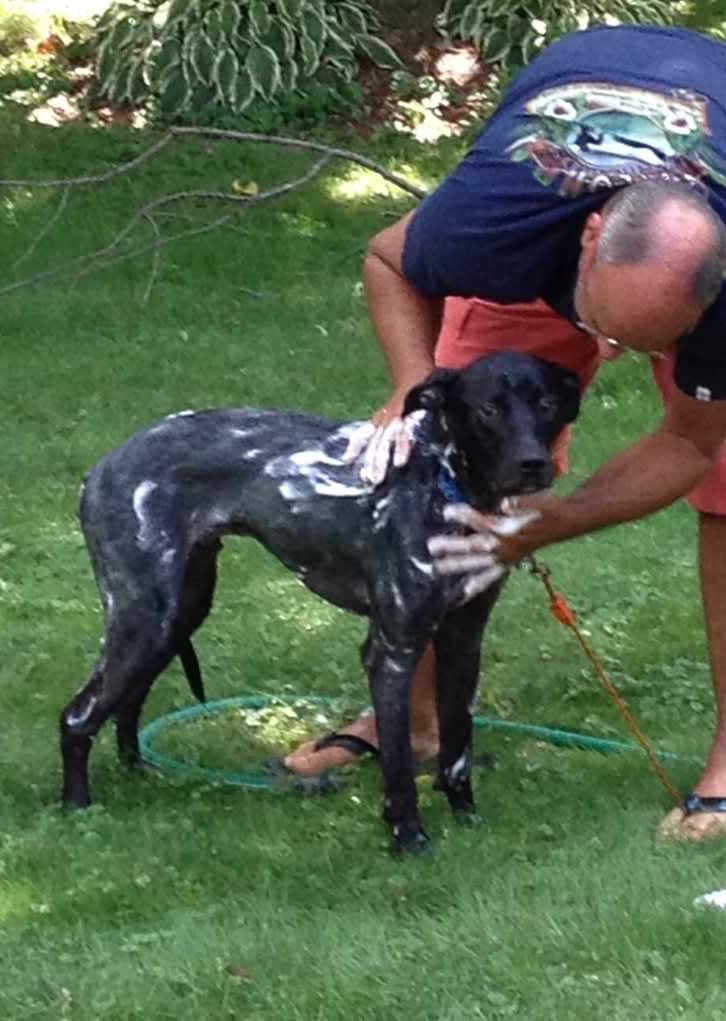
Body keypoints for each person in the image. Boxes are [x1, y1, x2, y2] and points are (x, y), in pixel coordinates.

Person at [282, 23, 726, 842]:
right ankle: (411, 718)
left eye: (648, 345)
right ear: (590, 239)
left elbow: (693, 440)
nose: (614, 357)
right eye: (608, 329)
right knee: (447, 453)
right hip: (552, 208)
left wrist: (556, 515)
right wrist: (416, 391)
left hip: (688, 216)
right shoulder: (500, 214)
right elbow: (389, 261)